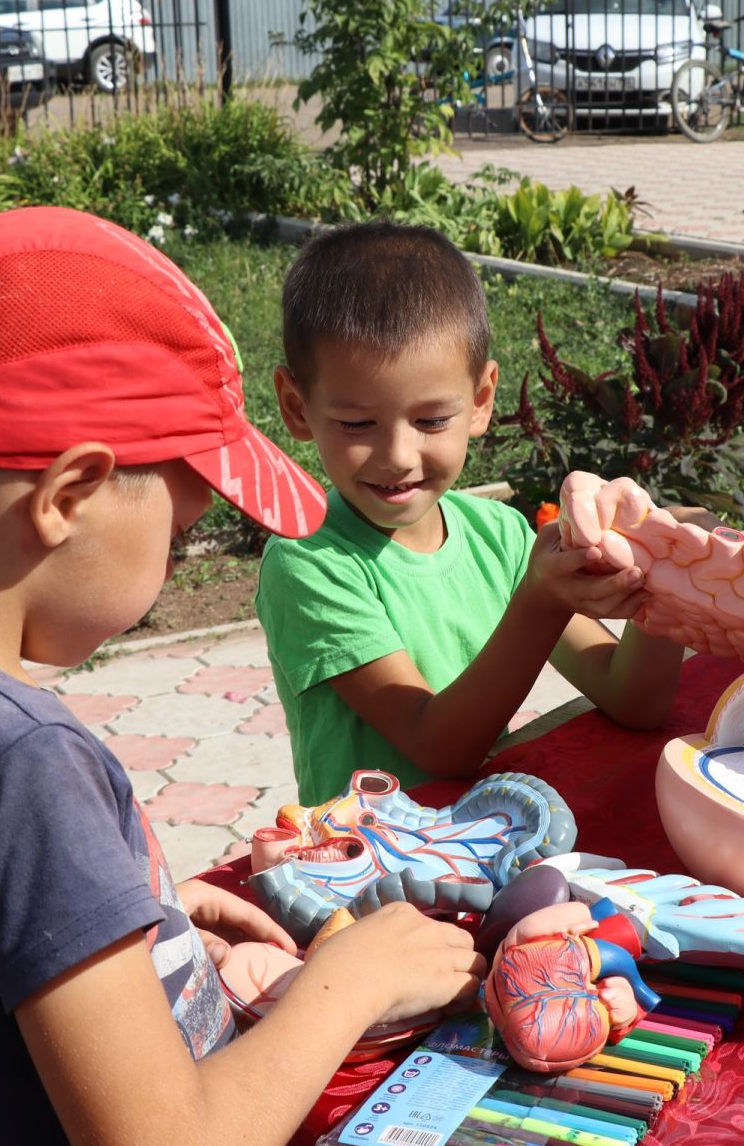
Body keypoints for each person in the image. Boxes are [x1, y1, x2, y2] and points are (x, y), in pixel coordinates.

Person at [0, 207, 483, 1146]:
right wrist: (346, 982)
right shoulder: (17, 761)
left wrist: (126, 956)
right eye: (180, 523)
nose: (174, 557)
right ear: (70, 495)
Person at [257, 220, 705, 806]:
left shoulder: (498, 535)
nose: (397, 456)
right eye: (356, 424)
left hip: (490, 844)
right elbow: (437, 746)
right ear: (296, 407)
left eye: (431, 420)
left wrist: (662, 575)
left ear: (481, 401)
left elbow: (634, 701)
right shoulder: (309, 562)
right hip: (371, 874)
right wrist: (541, 600)